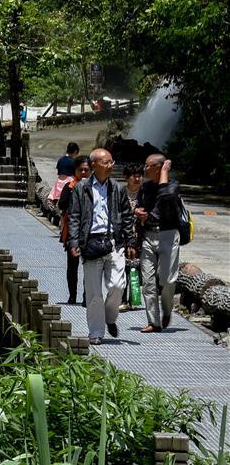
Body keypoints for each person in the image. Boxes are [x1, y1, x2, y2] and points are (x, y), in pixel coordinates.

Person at [67, 148, 136, 345]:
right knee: (94, 292)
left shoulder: (117, 187)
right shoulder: (81, 188)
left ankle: (110, 318)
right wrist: (73, 242)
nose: (111, 165)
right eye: (106, 162)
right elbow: (74, 216)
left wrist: (130, 240)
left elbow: (127, 215)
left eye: (112, 162)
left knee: (117, 286)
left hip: (114, 242)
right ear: (94, 165)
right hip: (90, 243)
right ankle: (96, 332)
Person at [135, 155, 181, 333]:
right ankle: (154, 321)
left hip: (168, 235)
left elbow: (166, 196)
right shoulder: (145, 187)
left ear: (159, 167)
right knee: (148, 282)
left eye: (148, 165)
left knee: (167, 280)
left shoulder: (173, 185)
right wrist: (137, 211)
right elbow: (139, 205)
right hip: (148, 235)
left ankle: (167, 309)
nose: (144, 168)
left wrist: (164, 174)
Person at [58, 155, 91, 305]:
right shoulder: (69, 187)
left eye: (86, 170)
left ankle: (86, 296)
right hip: (72, 231)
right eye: (80, 170)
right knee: (72, 266)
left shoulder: (94, 187)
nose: (83, 173)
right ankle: (72, 295)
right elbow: (61, 204)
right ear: (75, 171)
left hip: (90, 232)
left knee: (89, 267)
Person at [120, 163, 144, 311]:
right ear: (126, 178)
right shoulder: (120, 192)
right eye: (134, 176)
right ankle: (122, 299)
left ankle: (133, 299)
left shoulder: (145, 193)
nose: (137, 178)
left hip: (140, 236)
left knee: (136, 267)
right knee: (122, 268)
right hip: (122, 236)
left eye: (140, 175)